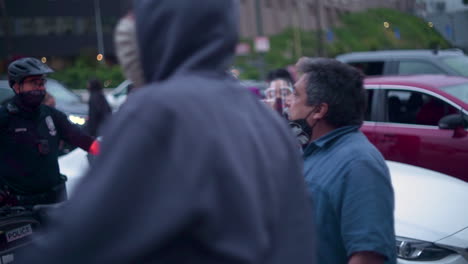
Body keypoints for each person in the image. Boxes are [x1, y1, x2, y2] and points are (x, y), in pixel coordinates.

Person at [17, 1, 316, 263]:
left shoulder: (159, 110)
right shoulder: (263, 118)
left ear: (159, 27)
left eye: (138, 16)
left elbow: (82, 238)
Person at [287, 57, 396, 264]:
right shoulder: (311, 151)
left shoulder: (358, 164)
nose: (289, 102)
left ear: (319, 110)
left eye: (295, 94)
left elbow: (368, 256)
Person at [0, 57, 99, 207]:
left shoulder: (52, 115)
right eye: (34, 83)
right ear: (16, 86)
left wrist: (110, 151)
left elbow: (82, 139)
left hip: (54, 201)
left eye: (42, 83)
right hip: (18, 206)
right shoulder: (4, 118)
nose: (40, 88)